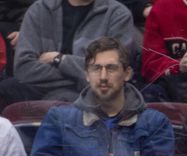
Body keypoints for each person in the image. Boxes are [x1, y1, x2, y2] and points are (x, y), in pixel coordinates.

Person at [31, 36, 173, 156]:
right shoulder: (59, 119)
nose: (103, 77)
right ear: (86, 74)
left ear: (127, 73)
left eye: (111, 68)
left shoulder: (155, 123)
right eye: (96, 68)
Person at [0, 0, 135, 112]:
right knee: (6, 88)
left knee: (66, 101)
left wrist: (60, 60)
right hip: (40, 86)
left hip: (91, 90)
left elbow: (111, 72)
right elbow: (24, 68)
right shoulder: (40, 9)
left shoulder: (117, 14)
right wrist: (80, 72)